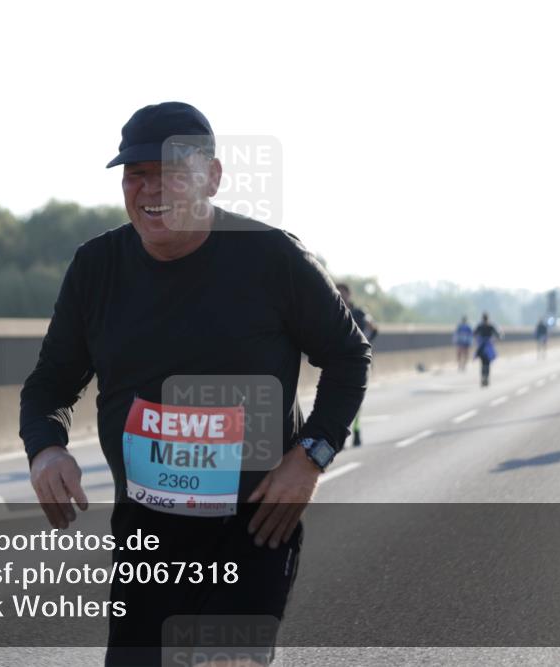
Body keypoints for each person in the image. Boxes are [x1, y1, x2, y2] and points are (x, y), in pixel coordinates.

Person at [19, 102, 372, 665]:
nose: (150, 190)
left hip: (253, 531)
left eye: (171, 173)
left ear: (211, 176)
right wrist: (45, 449)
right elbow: (47, 388)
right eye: (137, 175)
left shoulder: (271, 258)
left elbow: (350, 355)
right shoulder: (96, 268)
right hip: (147, 538)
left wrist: (310, 457)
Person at [335, 283, 377, 446]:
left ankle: (356, 430)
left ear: (349, 295)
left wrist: (363, 344)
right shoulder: (331, 311)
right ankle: (340, 434)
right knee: (337, 400)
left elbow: (373, 328)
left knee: (355, 399)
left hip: (359, 363)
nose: (341, 297)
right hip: (337, 362)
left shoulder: (359, 313)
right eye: (338, 293)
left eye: (343, 294)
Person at [473, 313, 501, 387]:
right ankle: (486, 378)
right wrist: (496, 339)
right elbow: (498, 334)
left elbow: (474, 333)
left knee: (482, 363)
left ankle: (483, 377)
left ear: (482, 318)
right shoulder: (491, 325)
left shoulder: (480, 325)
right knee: (487, 363)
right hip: (488, 346)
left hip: (481, 346)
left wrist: (477, 339)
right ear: (488, 318)